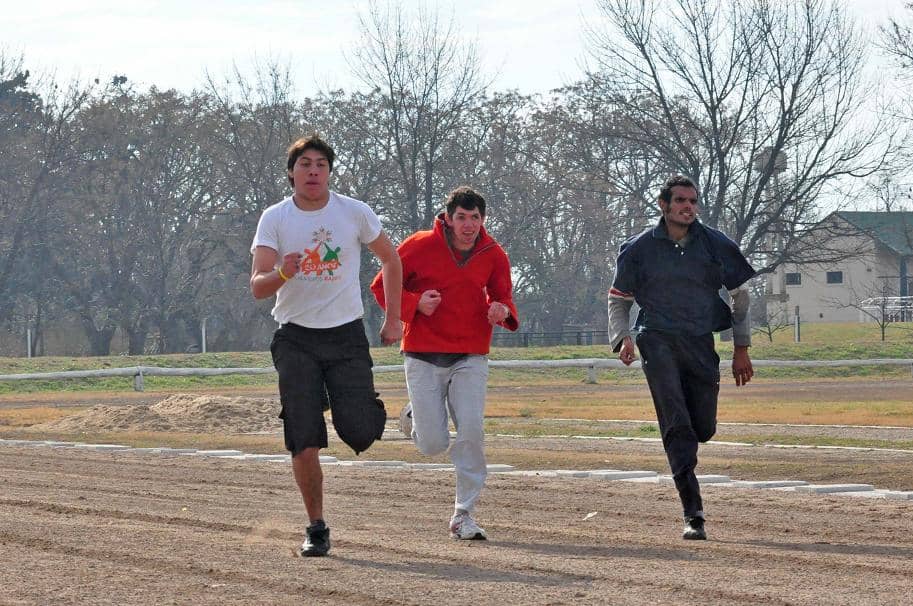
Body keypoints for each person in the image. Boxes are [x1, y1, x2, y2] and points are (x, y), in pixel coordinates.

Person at [250, 134, 402, 557]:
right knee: (304, 435)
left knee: (358, 430)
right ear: (291, 172)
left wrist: (393, 317)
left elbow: (391, 259)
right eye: (305, 164)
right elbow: (258, 286)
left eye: (320, 164)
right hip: (295, 336)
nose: (313, 171)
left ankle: (358, 404)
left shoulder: (354, 213)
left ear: (330, 172)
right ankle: (316, 526)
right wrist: (282, 273)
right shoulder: (275, 218)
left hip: (346, 334)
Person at [608, 175, 755, 541]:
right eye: (680, 201)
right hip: (655, 339)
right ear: (664, 205)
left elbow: (741, 297)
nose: (688, 207)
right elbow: (619, 298)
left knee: (702, 427)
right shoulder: (638, 248)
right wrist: (623, 337)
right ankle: (694, 513)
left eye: (693, 201)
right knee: (677, 423)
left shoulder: (716, 245)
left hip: (700, 342)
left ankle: (692, 448)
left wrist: (741, 348)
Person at [370, 186, 518, 540]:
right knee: (433, 443)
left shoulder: (493, 254)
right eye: (462, 218)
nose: (468, 225)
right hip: (423, 354)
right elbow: (380, 287)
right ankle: (413, 419)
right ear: (448, 219)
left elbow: (504, 297)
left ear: (483, 220)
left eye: (475, 218)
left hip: (471, 355)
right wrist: (414, 304)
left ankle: (463, 514)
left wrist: (502, 310)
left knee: (471, 431)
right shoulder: (419, 245)